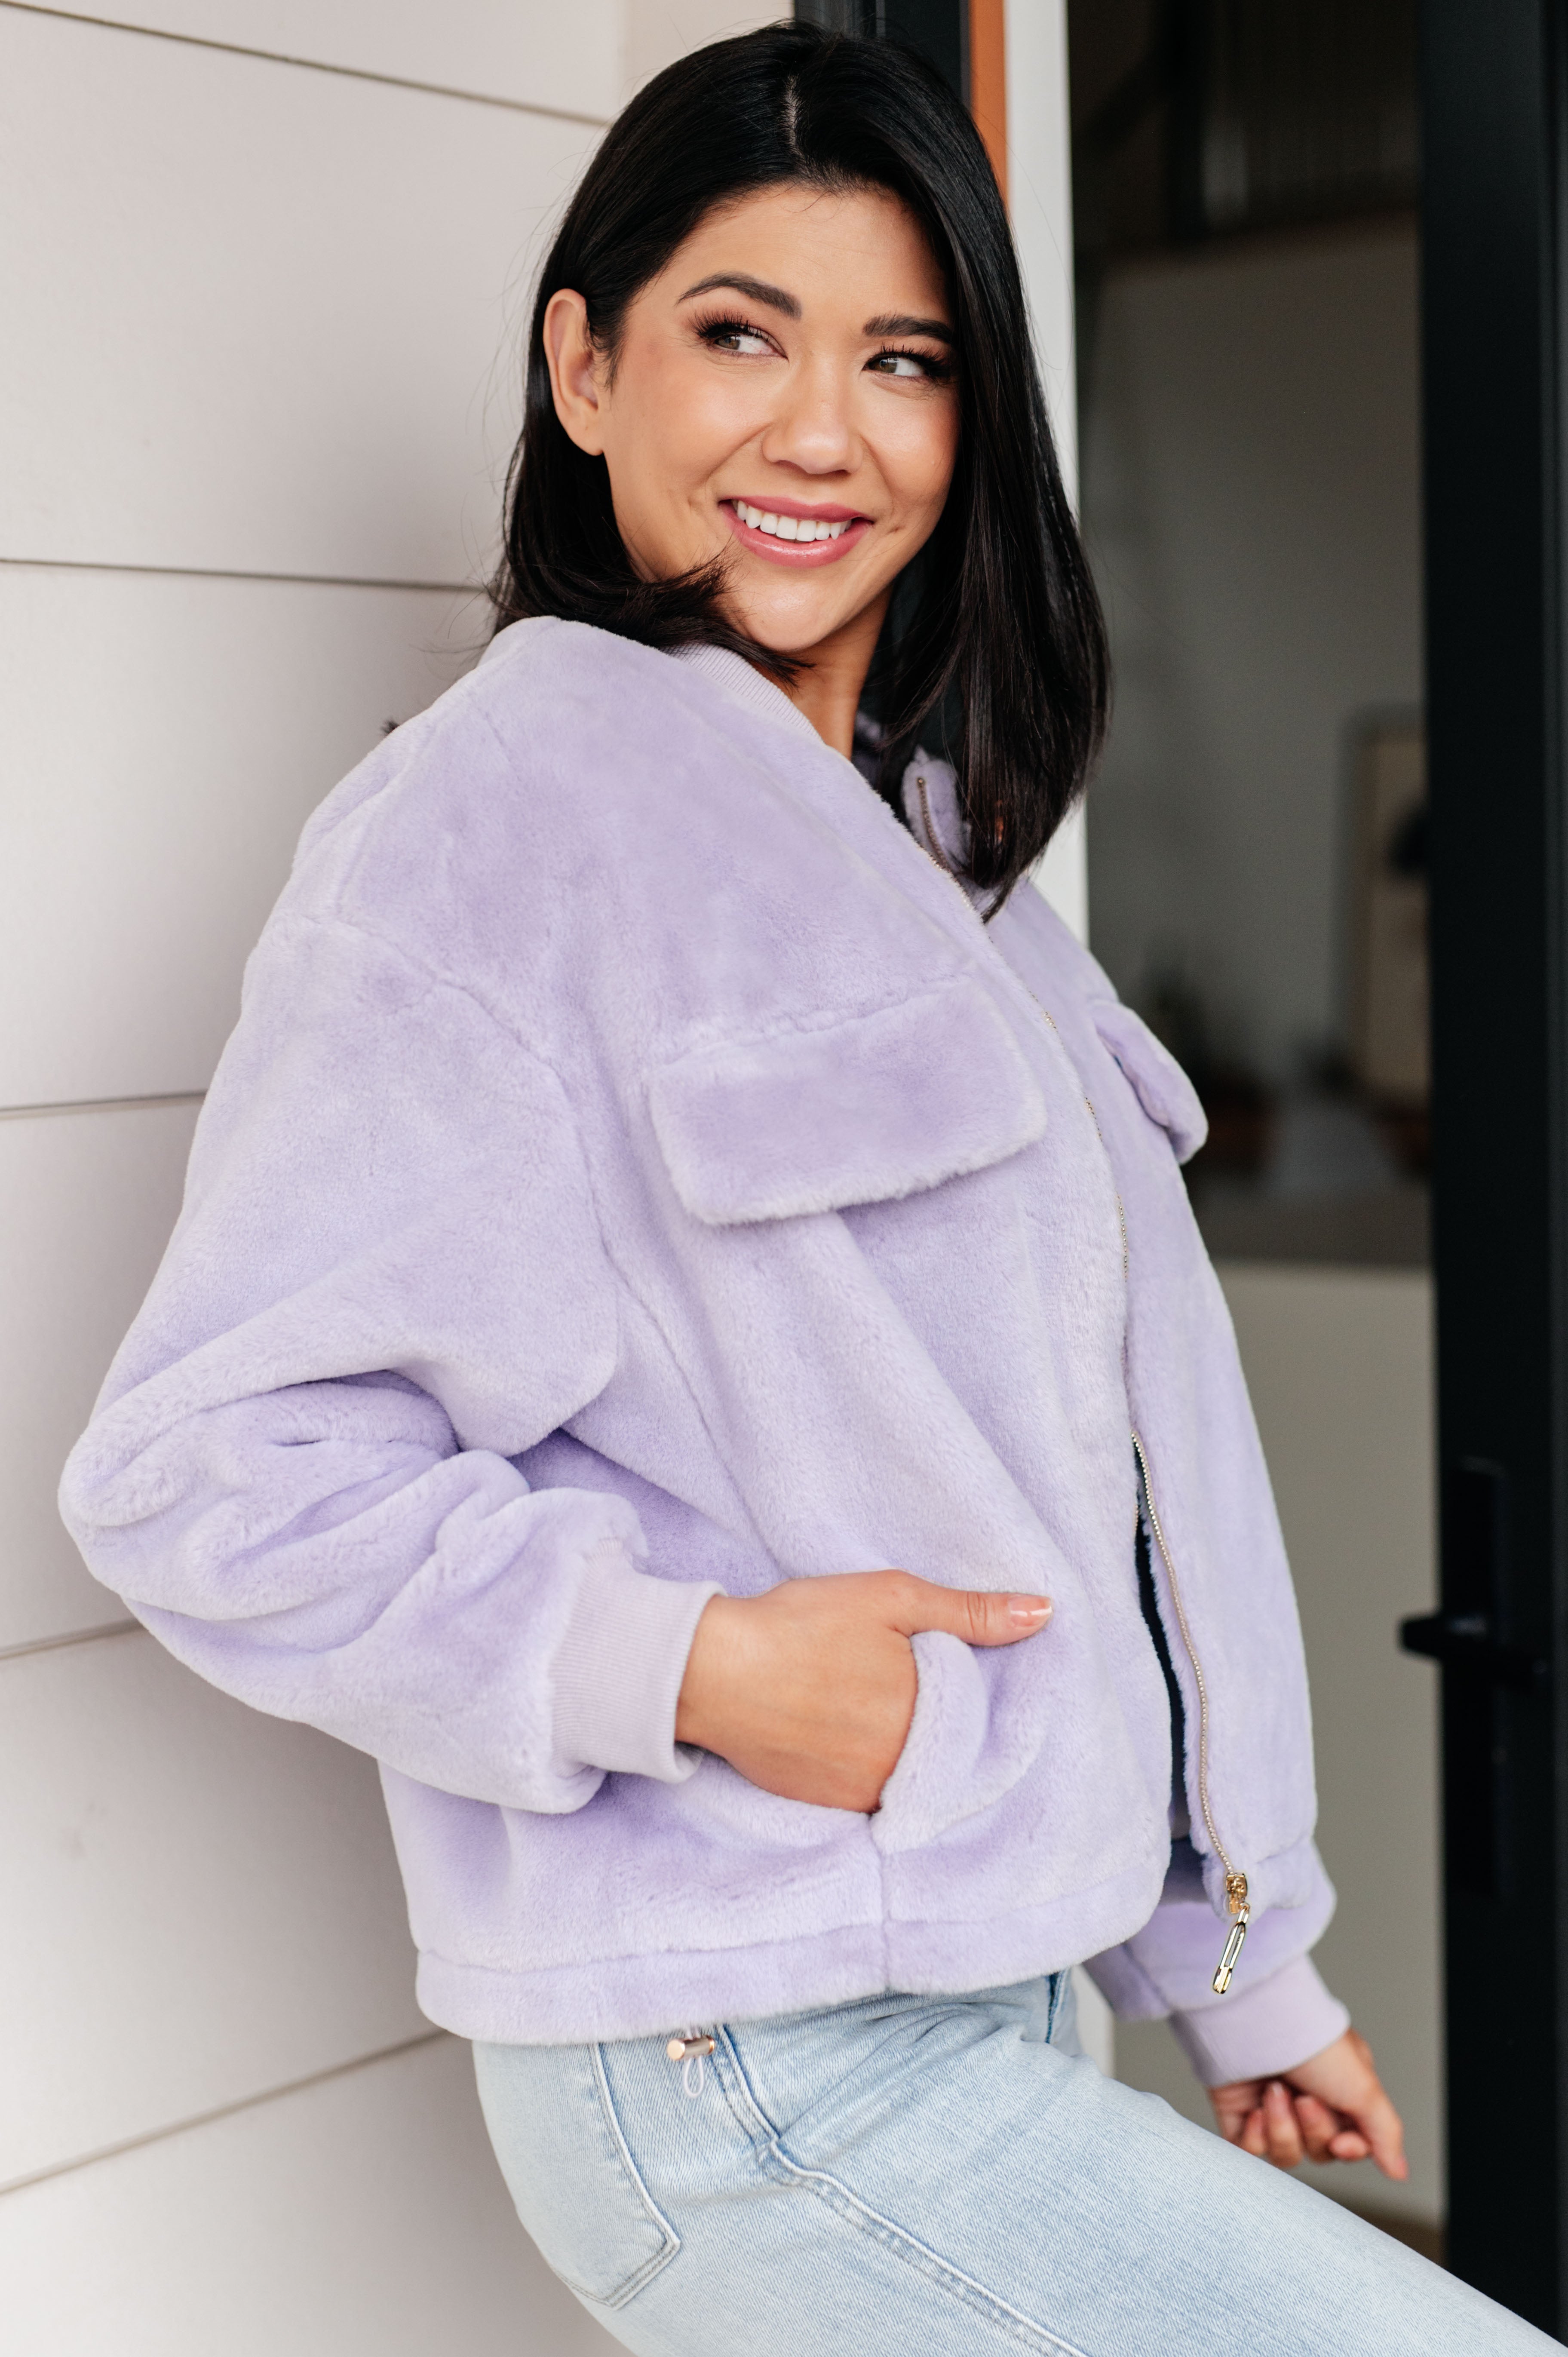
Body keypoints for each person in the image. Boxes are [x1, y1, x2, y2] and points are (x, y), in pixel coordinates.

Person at [59, 25, 1548, 2354]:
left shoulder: (949, 874)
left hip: (983, 1996)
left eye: (905, 360)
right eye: (741, 335)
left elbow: (1115, 1484)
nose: (824, 431)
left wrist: (1239, 1969)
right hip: (743, 2058)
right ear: (586, 369)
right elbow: (207, 1473)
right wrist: (705, 1670)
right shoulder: (496, 830)